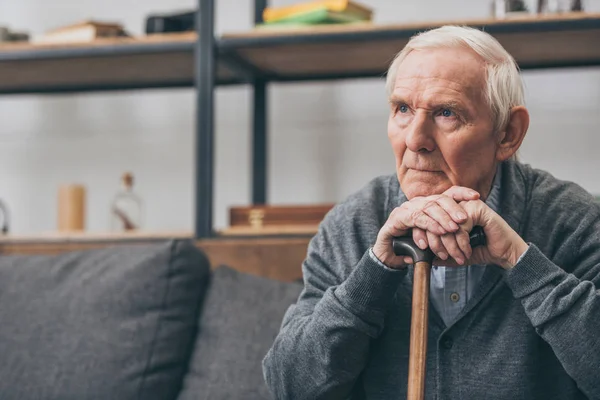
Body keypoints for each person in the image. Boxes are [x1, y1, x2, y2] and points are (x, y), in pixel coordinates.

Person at [262, 25, 600, 399]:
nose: (415, 140)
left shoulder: (577, 222)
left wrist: (520, 261)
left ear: (507, 133)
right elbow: (290, 388)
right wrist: (374, 272)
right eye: (403, 109)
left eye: (445, 113)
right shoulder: (351, 225)